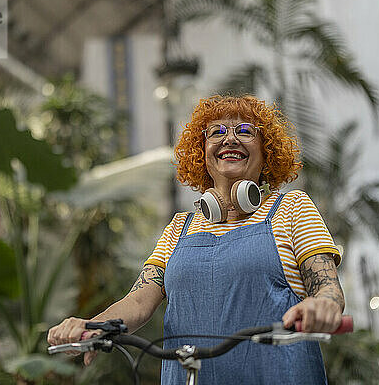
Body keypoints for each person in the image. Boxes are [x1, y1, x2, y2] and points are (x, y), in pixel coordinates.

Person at [48, 95, 345, 384]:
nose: (230, 139)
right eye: (216, 132)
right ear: (202, 152)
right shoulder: (179, 227)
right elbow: (138, 301)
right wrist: (94, 325)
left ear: (266, 152)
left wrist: (323, 307)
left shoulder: (293, 208)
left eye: (245, 131)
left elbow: (327, 288)